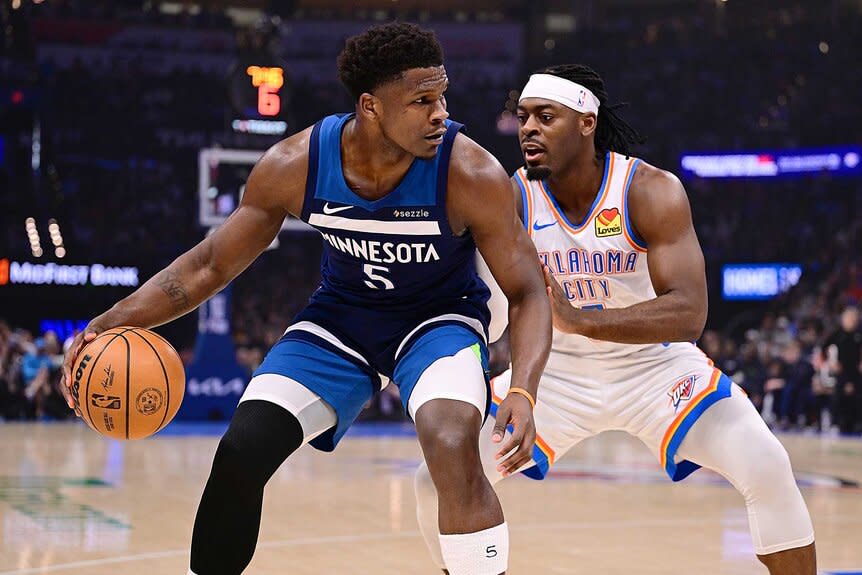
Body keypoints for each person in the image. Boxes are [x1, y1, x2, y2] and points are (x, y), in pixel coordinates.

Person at [60, 23, 551, 575]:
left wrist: (525, 392)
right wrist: (103, 325)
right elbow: (208, 266)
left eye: (442, 97)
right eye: (421, 101)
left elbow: (529, 291)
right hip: (342, 319)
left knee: (451, 440)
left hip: (439, 321)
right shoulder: (297, 165)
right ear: (370, 107)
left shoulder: (471, 172)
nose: (440, 113)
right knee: (242, 451)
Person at [414, 64, 816, 574]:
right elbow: (494, 304)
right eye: (523, 118)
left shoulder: (649, 190)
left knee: (768, 465)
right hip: (556, 374)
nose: (528, 129)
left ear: (587, 121)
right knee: (436, 477)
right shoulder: (511, 195)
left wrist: (580, 320)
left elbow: (690, 312)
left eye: (545, 116)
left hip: (656, 370)